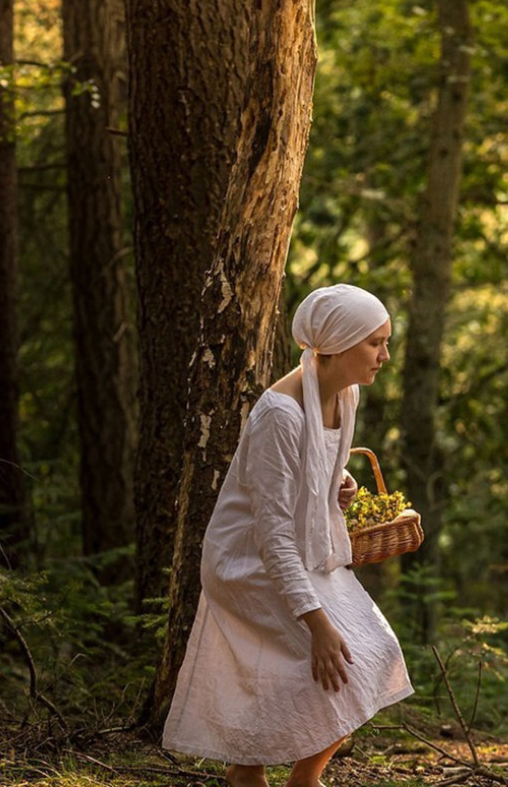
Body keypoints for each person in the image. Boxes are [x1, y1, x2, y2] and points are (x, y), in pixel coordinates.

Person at [163, 284, 414, 787]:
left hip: (307, 550)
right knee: (314, 657)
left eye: (386, 342)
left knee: (376, 653)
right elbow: (272, 530)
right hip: (250, 562)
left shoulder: (347, 393)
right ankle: (247, 770)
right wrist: (317, 624)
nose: (385, 356)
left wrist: (339, 484)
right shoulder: (278, 415)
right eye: (375, 343)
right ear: (339, 344)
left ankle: (303, 777)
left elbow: (324, 467)